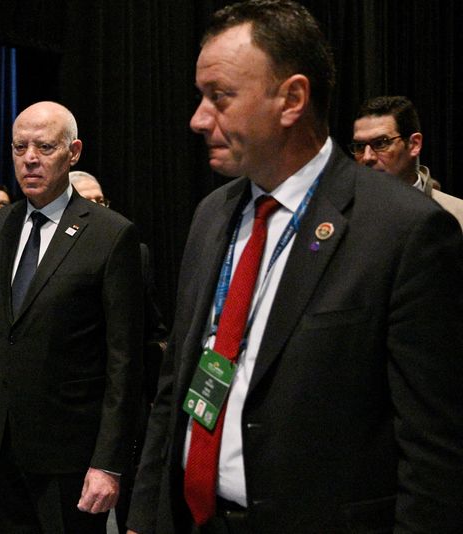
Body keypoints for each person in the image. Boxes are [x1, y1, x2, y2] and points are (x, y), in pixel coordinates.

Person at [127, 1, 463, 533]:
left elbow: (436, 454)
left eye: (219, 97)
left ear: (292, 99)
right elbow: (176, 387)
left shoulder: (404, 230)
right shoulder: (211, 215)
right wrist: (145, 516)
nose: (197, 119)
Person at [0, 101, 144, 533]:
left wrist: (109, 463)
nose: (30, 158)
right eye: (20, 147)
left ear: (73, 152)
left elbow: (124, 361)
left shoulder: (111, 235)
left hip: (68, 458)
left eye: (44, 146)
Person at [69, 170, 168, 533]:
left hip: (130, 406)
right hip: (78, 412)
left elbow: (152, 327)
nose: (97, 209)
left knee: (134, 513)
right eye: (87, 202)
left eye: (101, 201)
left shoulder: (135, 253)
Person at [351, 95, 463, 230]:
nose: (367, 157)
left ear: (414, 144)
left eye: (381, 143)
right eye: (360, 146)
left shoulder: (456, 215)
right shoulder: (338, 215)